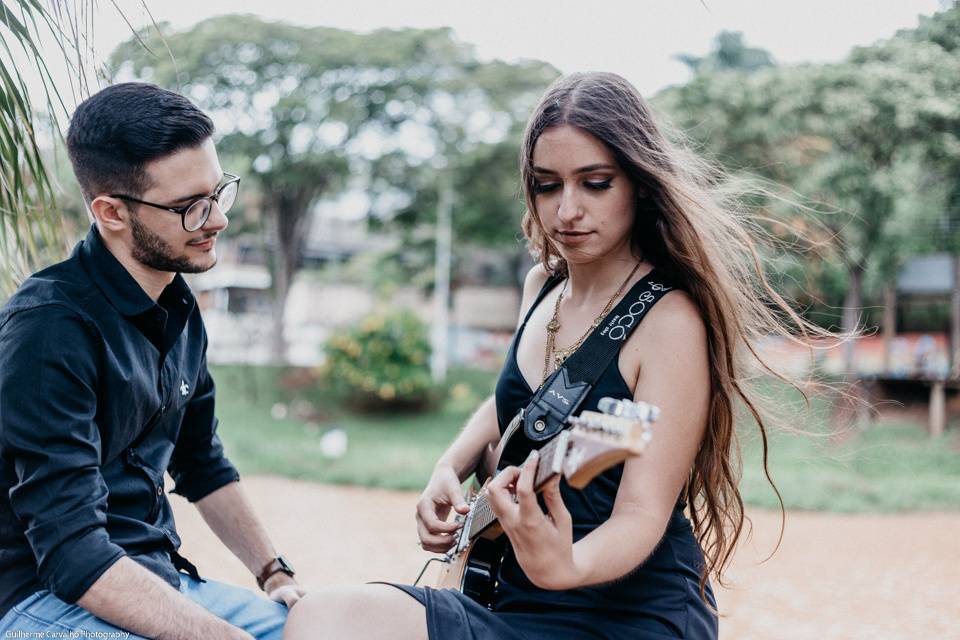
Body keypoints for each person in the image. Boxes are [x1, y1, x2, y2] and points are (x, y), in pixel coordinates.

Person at [284, 71, 807, 640]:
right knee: (319, 617)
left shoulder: (670, 321)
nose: (567, 211)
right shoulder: (542, 287)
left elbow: (641, 513)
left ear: (639, 182)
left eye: (595, 183)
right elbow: (521, 403)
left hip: (624, 616)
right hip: (508, 594)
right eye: (547, 185)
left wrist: (569, 565)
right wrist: (450, 465)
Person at [0, 83, 305, 640]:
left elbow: (202, 463)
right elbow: (74, 555)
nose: (218, 221)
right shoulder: (47, 329)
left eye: (219, 194)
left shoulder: (180, 306)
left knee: (322, 628)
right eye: (190, 207)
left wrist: (275, 574)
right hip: (41, 596)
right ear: (111, 212)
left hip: (156, 578)